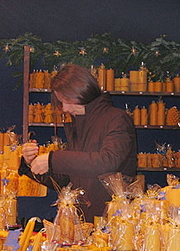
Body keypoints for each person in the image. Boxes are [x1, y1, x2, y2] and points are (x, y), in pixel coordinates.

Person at [19, 63, 137, 223]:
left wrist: (53, 159)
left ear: (83, 91)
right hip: (83, 224)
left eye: (67, 100)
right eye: (61, 102)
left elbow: (108, 161)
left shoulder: (117, 119)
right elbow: (67, 181)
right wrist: (32, 163)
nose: (65, 108)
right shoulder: (79, 125)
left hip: (113, 223)